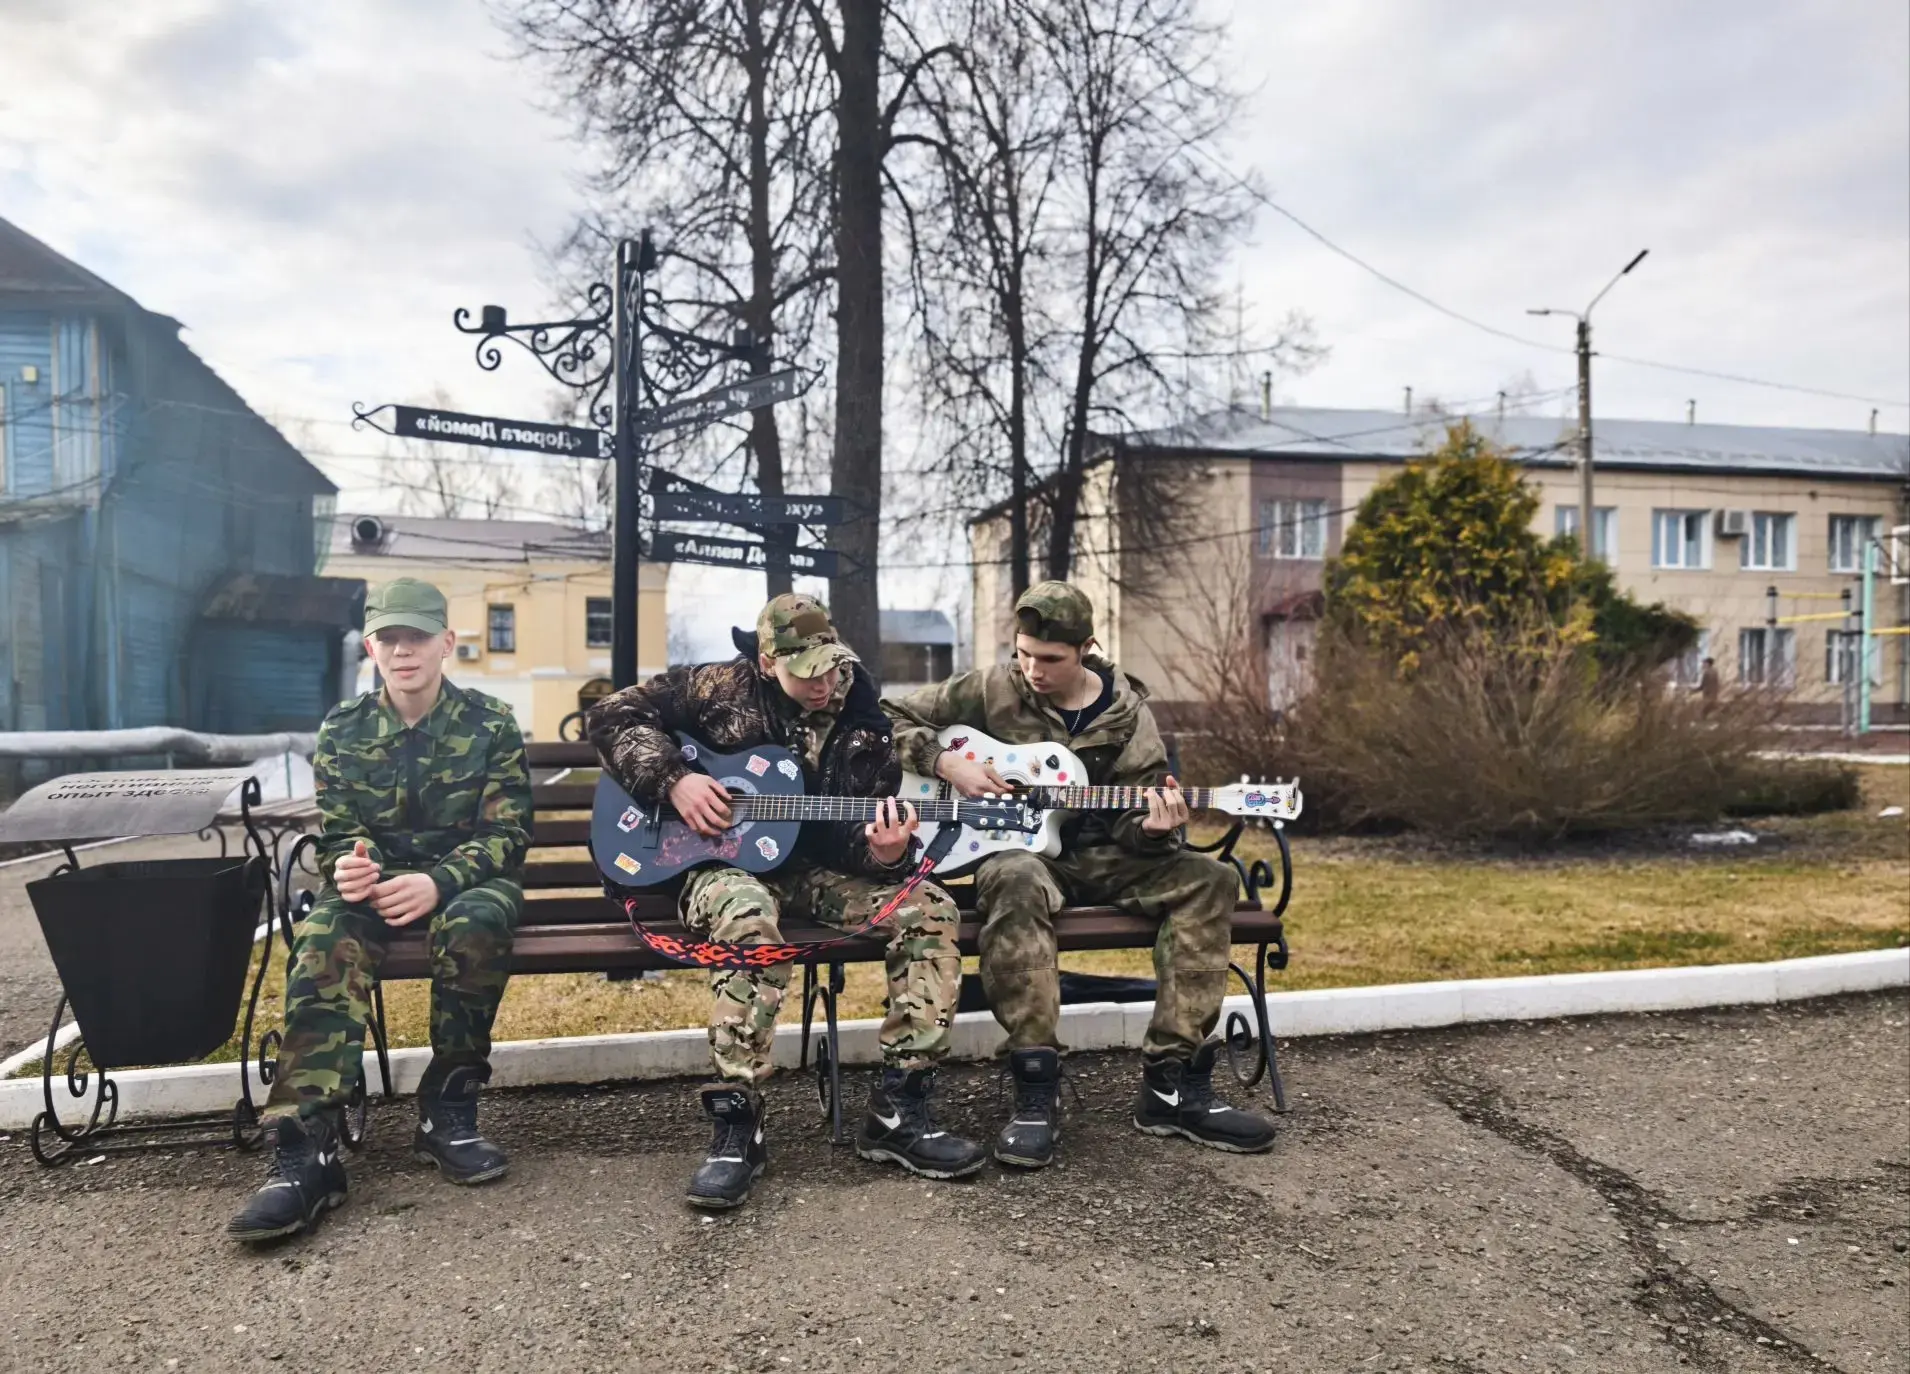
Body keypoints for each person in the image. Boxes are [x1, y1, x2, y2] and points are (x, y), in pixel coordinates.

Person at [585, 593, 984, 1209]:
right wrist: (675, 780)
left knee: (929, 906)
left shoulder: (862, 714)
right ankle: (737, 1125)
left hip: (814, 872)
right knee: (749, 921)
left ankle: (901, 1108)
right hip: (719, 865)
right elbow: (612, 715)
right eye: (806, 672)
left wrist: (883, 854)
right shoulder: (716, 687)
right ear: (768, 661)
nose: (824, 681)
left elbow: (856, 836)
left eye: (831, 665)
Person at [883, 580, 1276, 1169]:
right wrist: (945, 762)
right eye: (1024, 654)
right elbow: (890, 718)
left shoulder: (1125, 712)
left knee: (1211, 880)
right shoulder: (990, 687)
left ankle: (1172, 1082)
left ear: (1086, 649)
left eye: (1050, 659)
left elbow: (1142, 810)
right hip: (1026, 858)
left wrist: (1152, 828)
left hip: (1107, 857)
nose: (1033, 670)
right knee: (1014, 877)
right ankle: (1035, 1087)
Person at [227, 577, 531, 1244]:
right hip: (376, 891)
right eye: (389, 637)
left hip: (465, 883)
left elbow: (508, 837)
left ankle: (447, 1111)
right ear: (371, 645)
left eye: (416, 636)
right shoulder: (344, 729)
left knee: (478, 921)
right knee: (325, 934)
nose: (403, 650)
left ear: (446, 643)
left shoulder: (490, 723)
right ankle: (307, 1151)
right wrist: (349, 863)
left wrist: (437, 881)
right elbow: (341, 832)